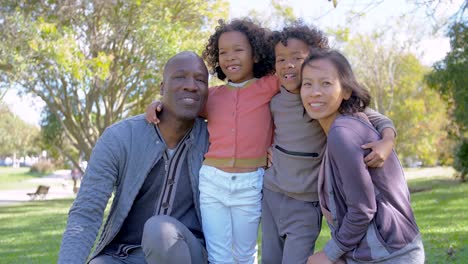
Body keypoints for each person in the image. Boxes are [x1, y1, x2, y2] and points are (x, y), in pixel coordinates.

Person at [261, 23, 397, 264]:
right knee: (269, 259)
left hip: (306, 201)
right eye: (281, 59)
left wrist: (388, 139)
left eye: (297, 58)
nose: (288, 65)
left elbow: (374, 116)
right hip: (272, 193)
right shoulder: (274, 99)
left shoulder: (322, 102)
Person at [58, 51, 210, 264]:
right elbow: (87, 211)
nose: (191, 85)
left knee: (160, 231)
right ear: (162, 87)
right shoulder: (120, 137)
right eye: (180, 77)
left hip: (189, 253)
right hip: (123, 255)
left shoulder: (215, 139)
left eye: (201, 80)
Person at [147, 19, 277, 264]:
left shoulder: (269, 86)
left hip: (251, 183)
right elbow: (180, 105)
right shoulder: (213, 96)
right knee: (219, 254)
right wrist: (157, 104)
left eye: (238, 50)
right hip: (212, 183)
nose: (230, 57)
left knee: (245, 253)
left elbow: (301, 73)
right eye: (223, 52)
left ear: (256, 54)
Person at [301, 50, 424, 264]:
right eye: (307, 84)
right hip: (390, 248)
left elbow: (362, 209)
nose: (315, 92)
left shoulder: (342, 133)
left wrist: (329, 254)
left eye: (326, 83)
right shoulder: (353, 121)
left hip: (389, 255)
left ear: (346, 91)